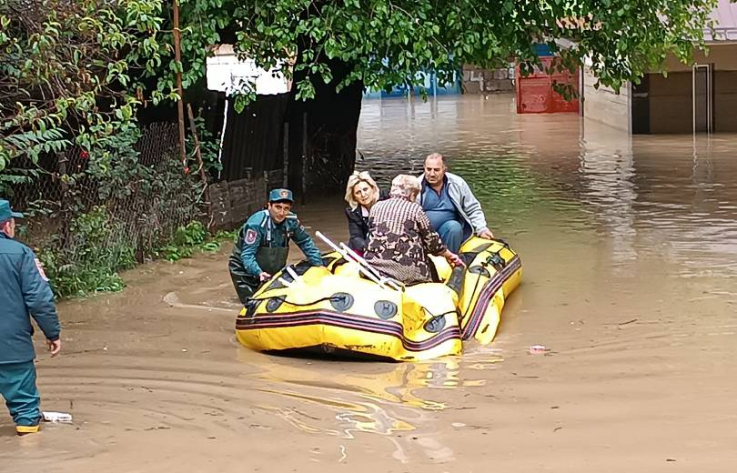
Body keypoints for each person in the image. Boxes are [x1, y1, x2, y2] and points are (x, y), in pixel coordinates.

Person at [0, 199, 61, 436]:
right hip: (11, 348)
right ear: (7, 226)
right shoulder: (20, 254)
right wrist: (52, 333)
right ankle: (29, 449)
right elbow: (39, 300)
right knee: (26, 413)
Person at [228, 188, 324, 304]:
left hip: (271, 269)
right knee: (252, 304)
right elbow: (247, 255)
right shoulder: (256, 224)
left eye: (286, 209)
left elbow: (305, 242)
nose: (282, 213)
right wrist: (258, 272)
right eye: (278, 207)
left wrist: (319, 264)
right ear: (269, 206)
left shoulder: (292, 221)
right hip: (244, 269)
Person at [365, 175, 464, 285]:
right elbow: (433, 243)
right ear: (412, 195)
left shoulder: (376, 207)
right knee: (428, 268)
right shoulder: (415, 209)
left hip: (373, 267)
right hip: (405, 271)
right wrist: (450, 255)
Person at [419, 153, 494, 253]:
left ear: (445, 170)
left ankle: (451, 261)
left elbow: (472, 208)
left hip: (450, 231)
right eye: (428, 169)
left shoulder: (458, 183)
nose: (432, 174)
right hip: (423, 233)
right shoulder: (416, 186)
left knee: (454, 227)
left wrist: (482, 229)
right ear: (424, 168)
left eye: (436, 170)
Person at [344, 171, 382, 255]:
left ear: (373, 188)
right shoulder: (352, 212)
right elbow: (356, 237)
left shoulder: (386, 201)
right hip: (365, 247)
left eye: (365, 189)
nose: (363, 194)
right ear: (354, 197)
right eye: (358, 192)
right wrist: (370, 248)